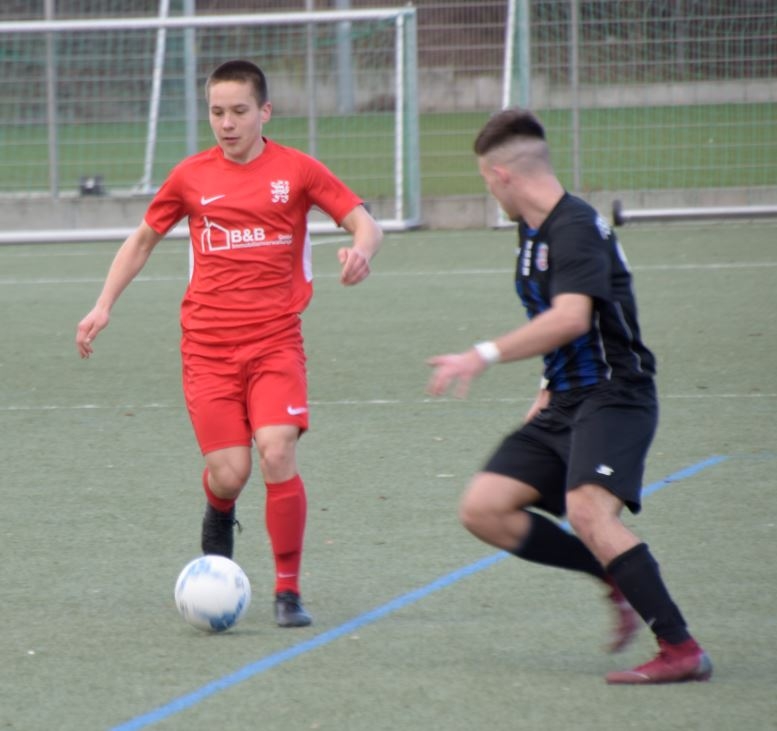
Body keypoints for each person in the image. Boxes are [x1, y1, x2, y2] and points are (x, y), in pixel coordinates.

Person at [76, 59, 383, 628]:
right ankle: (219, 509)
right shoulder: (191, 176)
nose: (227, 123)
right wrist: (103, 304)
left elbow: (364, 221)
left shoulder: (297, 171)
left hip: (275, 342)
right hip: (207, 349)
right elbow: (142, 240)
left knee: (276, 450)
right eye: (217, 112)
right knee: (231, 473)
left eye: (239, 111)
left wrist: (361, 251)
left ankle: (287, 592)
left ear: (265, 112)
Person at [426, 108, 711, 684]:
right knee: (483, 509)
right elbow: (556, 318)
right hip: (564, 401)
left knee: (587, 511)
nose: (489, 192)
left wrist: (481, 354)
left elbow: (572, 318)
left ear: (502, 174)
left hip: (616, 395)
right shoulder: (532, 230)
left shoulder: (574, 227)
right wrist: (545, 384)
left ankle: (681, 649)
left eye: (485, 181)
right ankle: (611, 574)